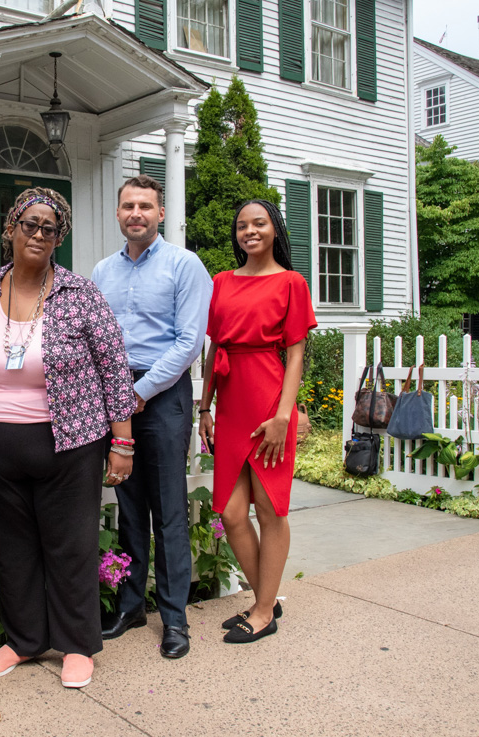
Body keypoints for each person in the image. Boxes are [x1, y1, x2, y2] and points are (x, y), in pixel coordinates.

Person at [0, 188, 136, 690]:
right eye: (30, 224)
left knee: (70, 545)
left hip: (70, 440)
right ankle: (24, 639)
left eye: (50, 228)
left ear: (59, 238)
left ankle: (77, 644)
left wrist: (122, 442)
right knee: (12, 547)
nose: (39, 234)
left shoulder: (79, 293)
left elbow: (113, 365)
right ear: (10, 228)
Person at [91, 175, 212, 659]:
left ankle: (175, 619)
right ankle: (130, 604)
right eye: (127, 206)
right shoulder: (102, 271)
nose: (135, 213)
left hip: (162, 396)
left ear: (160, 214)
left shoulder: (185, 265)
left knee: (169, 510)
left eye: (145, 206)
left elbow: (189, 342)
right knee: (128, 506)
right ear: (118, 214)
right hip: (117, 396)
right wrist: (115, 395)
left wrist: (137, 392)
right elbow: (97, 338)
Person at [197, 199, 316, 644]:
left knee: (270, 509)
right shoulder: (222, 282)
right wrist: (204, 406)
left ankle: (264, 609)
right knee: (230, 513)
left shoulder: (291, 282)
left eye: (259, 223)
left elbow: (297, 353)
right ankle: (265, 598)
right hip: (229, 403)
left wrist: (284, 415)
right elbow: (213, 349)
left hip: (268, 399)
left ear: (274, 230)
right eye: (241, 224)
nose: (249, 231)